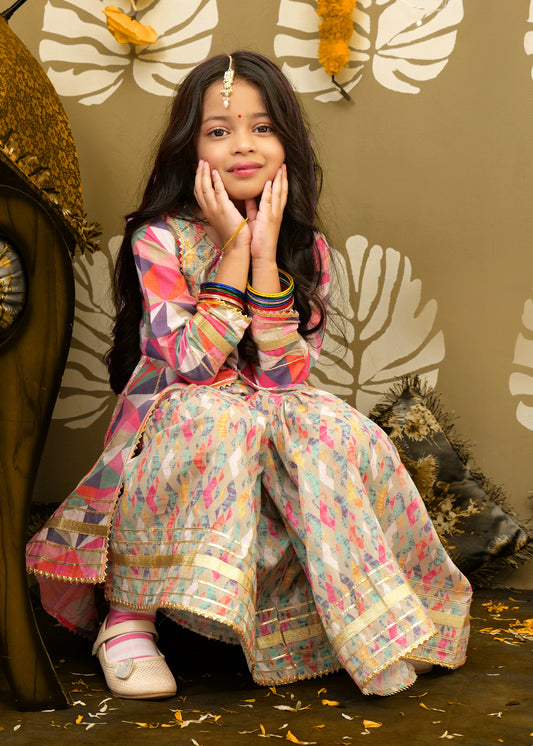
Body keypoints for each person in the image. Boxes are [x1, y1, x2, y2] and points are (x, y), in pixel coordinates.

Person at [26, 51, 472, 700]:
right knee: (213, 417)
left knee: (343, 432)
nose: (242, 144)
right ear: (190, 148)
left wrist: (264, 257)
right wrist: (232, 252)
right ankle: (127, 620)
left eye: (261, 128)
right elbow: (188, 364)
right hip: (172, 414)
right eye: (218, 130)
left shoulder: (302, 247)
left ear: (286, 141)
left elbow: (288, 373)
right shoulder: (159, 239)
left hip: (269, 404)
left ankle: (368, 623)